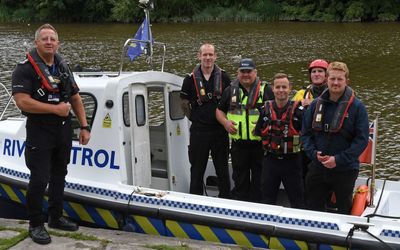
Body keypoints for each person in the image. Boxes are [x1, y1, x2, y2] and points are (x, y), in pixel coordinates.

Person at [11, 24, 91, 244]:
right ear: (36, 42)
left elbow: (74, 97)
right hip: (39, 130)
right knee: (39, 179)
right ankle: (35, 224)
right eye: (44, 38)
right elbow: (22, 101)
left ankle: (55, 217)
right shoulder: (24, 68)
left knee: (59, 174)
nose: (48, 42)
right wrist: (55, 109)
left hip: (63, 130)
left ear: (58, 43)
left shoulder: (62, 67)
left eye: (52, 39)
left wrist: (84, 126)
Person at [301, 62, 369, 214]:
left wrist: (338, 160)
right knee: (312, 207)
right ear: (326, 79)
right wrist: (313, 153)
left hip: (345, 168)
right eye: (332, 79)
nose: (336, 83)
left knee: (343, 209)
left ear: (347, 81)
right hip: (318, 166)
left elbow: (362, 140)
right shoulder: (314, 106)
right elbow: (305, 134)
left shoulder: (358, 108)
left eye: (340, 79)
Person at [216, 58, 274, 202]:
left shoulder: (265, 89)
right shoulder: (230, 90)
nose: (246, 74)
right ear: (238, 73)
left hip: (260, 145)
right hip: (239, 145)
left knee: (260, 181)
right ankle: (241, 210)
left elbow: (276, 111)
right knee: (240, 180)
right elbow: (219, 111)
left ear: (255, 72)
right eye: (243, 71)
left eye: (249, 71)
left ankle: (259, 210)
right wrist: (225, 123)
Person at [180, 43, 231, 198]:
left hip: (219, 131)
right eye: (205, 55)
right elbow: (183, 103)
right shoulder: (189, 80)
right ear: (199, 56)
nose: (208, 58)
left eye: (211, 55)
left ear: (215, 56)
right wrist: (197, 118)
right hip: (199, 131)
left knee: (222, 169)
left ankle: (225, 200)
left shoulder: (224, 77)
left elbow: (231, 102)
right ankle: (195, 201)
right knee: (197, 169)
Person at [254, 73, 305, 208]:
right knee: (267, 199)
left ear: (290, 88)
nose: (281, 90)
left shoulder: (299, 112)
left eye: (284, 87)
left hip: (292, 161)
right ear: (273, 89)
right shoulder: (265, 110)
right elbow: (259, 132)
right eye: (278, 87)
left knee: (297, 199)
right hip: (270, 161)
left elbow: (307, 136)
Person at [292, 59, 329, 179]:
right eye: (313, 71)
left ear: (326, 75)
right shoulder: (301, 94)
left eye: (320, 71)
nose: (316, 74)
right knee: (303, 175)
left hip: (325, 142)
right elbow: (290, 115)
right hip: (306, 143)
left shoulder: (333, 92)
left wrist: (313, 103)